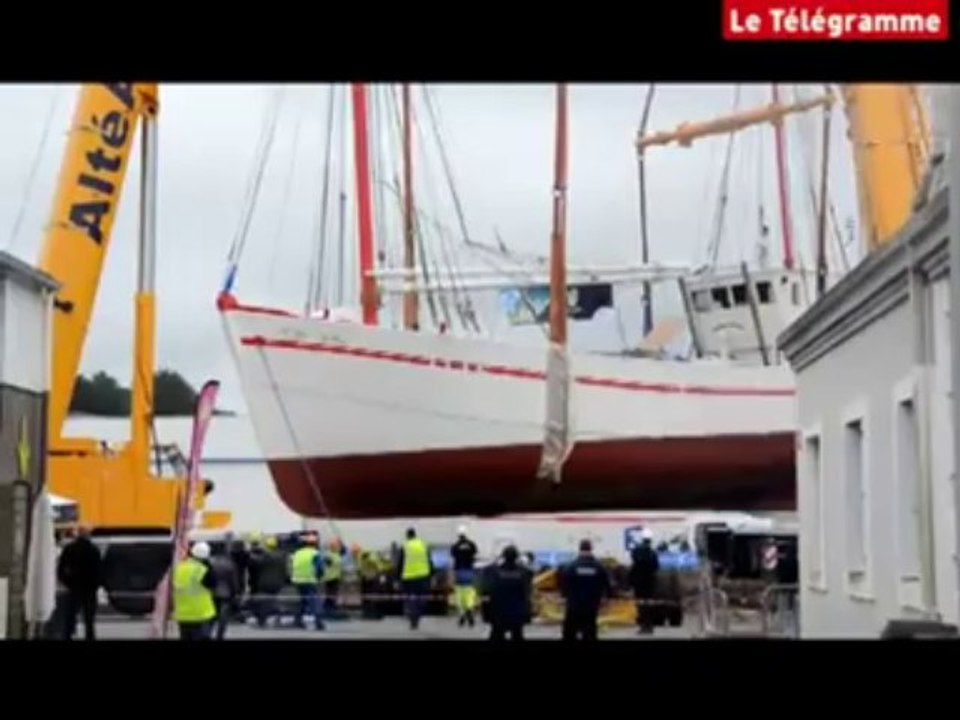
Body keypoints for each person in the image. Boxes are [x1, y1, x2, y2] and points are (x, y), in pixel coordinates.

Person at [56, 524, 102, 641]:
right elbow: (99, 570)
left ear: (78, 534)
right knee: (89, 620)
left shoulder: (69, 548)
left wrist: (67, 582)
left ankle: (68, 636)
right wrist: (95, 585)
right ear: (88, 534)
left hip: (74, 588)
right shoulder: (94, 550)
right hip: (89, 589)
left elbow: (61, 569)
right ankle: (89, 637)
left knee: (70, 618)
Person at [559, 539, 610, 641]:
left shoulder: (570, 567)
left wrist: (564, 596)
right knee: (590, 632)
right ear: (591, 548)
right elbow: (606, 585)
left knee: (570, 632)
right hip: (591, 606)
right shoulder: (599, 567)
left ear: (579, 548)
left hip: (574, 606)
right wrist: (605, 598)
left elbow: (564, 584)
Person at [482, 545, 532, 641]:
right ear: (516, 557)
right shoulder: (523, 572)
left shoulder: (494, 572)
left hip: (498, 613)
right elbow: (527, 588)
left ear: (503, 556)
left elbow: (486, 572)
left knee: (496, 635)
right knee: (517, 635)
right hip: (517, 613)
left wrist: (496, 560)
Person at [173, 541, 218, 640]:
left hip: (182, 615)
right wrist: (208, 565)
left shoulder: (180, 568)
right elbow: (214, 584)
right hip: (201, 615)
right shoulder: (202, 570)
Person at [398, 528, 433, 630]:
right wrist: (432, 574)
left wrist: (397, 577)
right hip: (423, 576)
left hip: (409, 577)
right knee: (421, 599)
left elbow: (401, 563)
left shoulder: (405, 546)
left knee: (411, 599)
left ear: (407, 536)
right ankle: (417, 616)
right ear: (415, 535)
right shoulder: (423, 545)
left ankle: (413, 618)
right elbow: (429, 561)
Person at [289, 533, 325, 630]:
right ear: (315, 544)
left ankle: (298, 620)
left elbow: (291, 566)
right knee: (315, 601)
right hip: (310, 580)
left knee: (302, 601)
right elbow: (320, 568)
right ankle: (318, 622)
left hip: (297, 580)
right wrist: (319, 577)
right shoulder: (315, 553)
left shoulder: (297, 553)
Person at [630, 529, 660, 635]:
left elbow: (634, 564)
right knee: (649, 605)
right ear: (650, 541)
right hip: (649, 582)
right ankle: (649, 626)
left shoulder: (636, 551)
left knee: (640, 605)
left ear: (642, 539)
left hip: (639, 582)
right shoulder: (653, 553)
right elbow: (656, 567)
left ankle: (643, 626)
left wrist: (630, 582)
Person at [450, 525, 479, 627]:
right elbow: (475, 554)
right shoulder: (472, 544)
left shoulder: (455, 546)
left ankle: (462, 612)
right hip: (469, 570)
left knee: (459, 593)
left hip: (458, 571)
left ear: (458, 535)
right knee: (469, 591)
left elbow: (453, 555)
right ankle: (469, 608)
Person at [209, 543, 240, 640]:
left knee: (210, 616)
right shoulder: (229, 563)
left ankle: (208, 633)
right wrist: (235, 593)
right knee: (223, 617)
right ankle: (220, 635)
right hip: (226, 593)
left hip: (211, 592)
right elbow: (233, 581)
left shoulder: (209, 562)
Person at [322, 539, 344, 618]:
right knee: (331, 594)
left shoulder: (336, 554)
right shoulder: (329, 554)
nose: (339, 547)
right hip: (330, 577)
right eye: (337, 546)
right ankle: (328, 610)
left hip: (335, 577)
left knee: (333, 594)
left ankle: (331, 608)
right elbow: (328, 562)